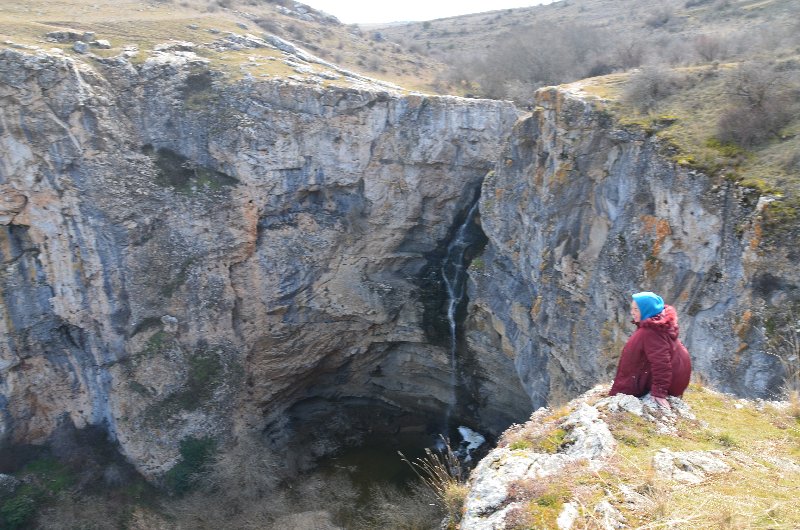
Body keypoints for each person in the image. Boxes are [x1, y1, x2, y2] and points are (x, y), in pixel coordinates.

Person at [609, 292, 692, 408]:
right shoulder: (658, 324)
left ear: (646, 310)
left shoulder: (651, 332)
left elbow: (661, 362)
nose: (632, 312)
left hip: (672, 382)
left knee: (621, 393)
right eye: (632, 308)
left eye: (636, 309)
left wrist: (659, 392)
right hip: (677, 377)